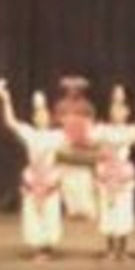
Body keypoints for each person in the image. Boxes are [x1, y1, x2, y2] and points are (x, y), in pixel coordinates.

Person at [0, 78, 68, 260]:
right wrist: (5, 98)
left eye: (44, 113)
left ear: (49, 117)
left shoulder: (57, 135)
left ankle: (47, 246)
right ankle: (38, 247)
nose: (41, 117)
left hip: (50, 176)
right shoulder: (29, 133)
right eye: (38, 114)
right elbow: (10, 122)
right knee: (34, 212)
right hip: (34, 177)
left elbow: (78, 137)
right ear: (34, 118)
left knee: (50, 211)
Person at [89, 85, 135, 260]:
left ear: (127, 112)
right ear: (110, 112)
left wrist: (131, 140)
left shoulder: (130, 130)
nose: (117, 113)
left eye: (121, 110)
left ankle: (123, 249)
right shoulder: (104, 129)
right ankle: (109, 249)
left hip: (123, 174)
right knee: (108, 210)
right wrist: (103, 149)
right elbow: (90, 138)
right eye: (114, 110)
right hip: (107, 173)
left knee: (124, 210)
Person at [54, 75, 98, 221]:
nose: (73, 91)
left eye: (76, 88)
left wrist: (82, 128)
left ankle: (86, 210)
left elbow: (92, 122)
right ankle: (71, 209)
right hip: (66, 143)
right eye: (70, 88)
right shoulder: (61, 105)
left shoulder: (87, 105)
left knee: (84, 179)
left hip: (83, 144)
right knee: (68, 179)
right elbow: (56, 122)